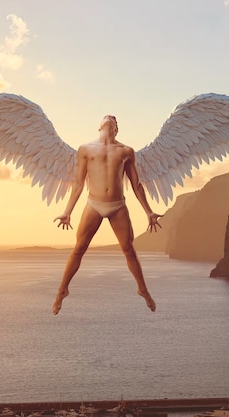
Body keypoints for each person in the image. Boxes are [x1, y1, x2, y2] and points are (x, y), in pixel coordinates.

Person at [52, 115, 163, 315]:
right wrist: (67, 211)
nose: (110, 118)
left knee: (128, 249)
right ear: (99, 126)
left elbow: (136, 184)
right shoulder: (85, 149)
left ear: (116, 129)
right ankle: (62, 290)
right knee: (78, 249)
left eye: (114, 119)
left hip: (117, 206)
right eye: (106, 118)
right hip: (94, 204)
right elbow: (78, 183)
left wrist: (148, 211)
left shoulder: (126, 151)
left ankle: (143, 289)